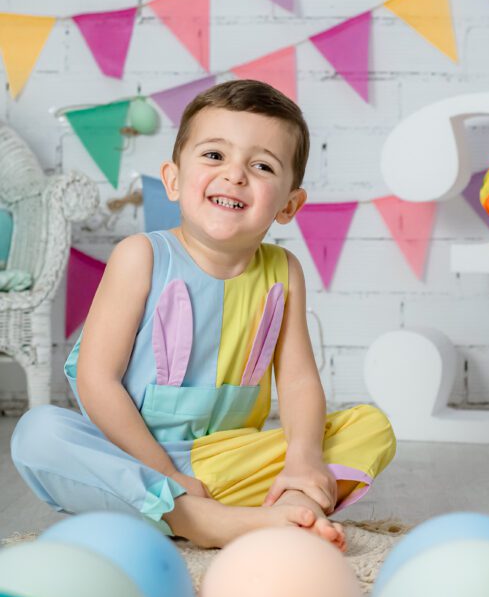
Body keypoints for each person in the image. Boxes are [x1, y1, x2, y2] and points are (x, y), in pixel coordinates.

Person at [11, 80, 397, 550]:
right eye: (215, 156)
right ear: (173, 179)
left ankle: (293, 503)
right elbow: (97, 380)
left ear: (289, 205)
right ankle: (199, 519)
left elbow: (297, 382)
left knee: (370, 427)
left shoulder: (283, 272)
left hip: (222, 464)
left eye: (261, 166)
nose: (235, 175)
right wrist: (165, 472)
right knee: (38, 434)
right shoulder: (141, 256)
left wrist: (302, 459)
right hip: (132, 459)